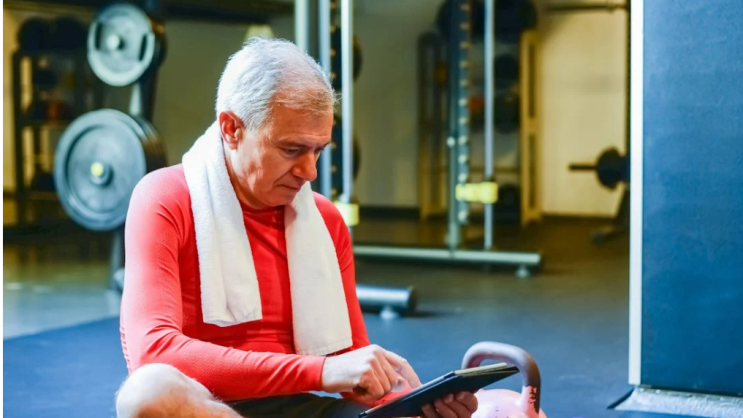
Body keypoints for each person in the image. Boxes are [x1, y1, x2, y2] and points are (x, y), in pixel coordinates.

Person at [115, 37, 478, 418]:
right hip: (205, 408)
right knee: (148, 392)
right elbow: (152, 352)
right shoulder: (165, 198)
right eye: (292, 150)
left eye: (318, 150)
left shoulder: (325, 220)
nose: (310, 172)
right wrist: (320, 372)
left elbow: (352, 366)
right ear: (231, 129)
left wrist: (416, 406)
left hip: (301, 408)